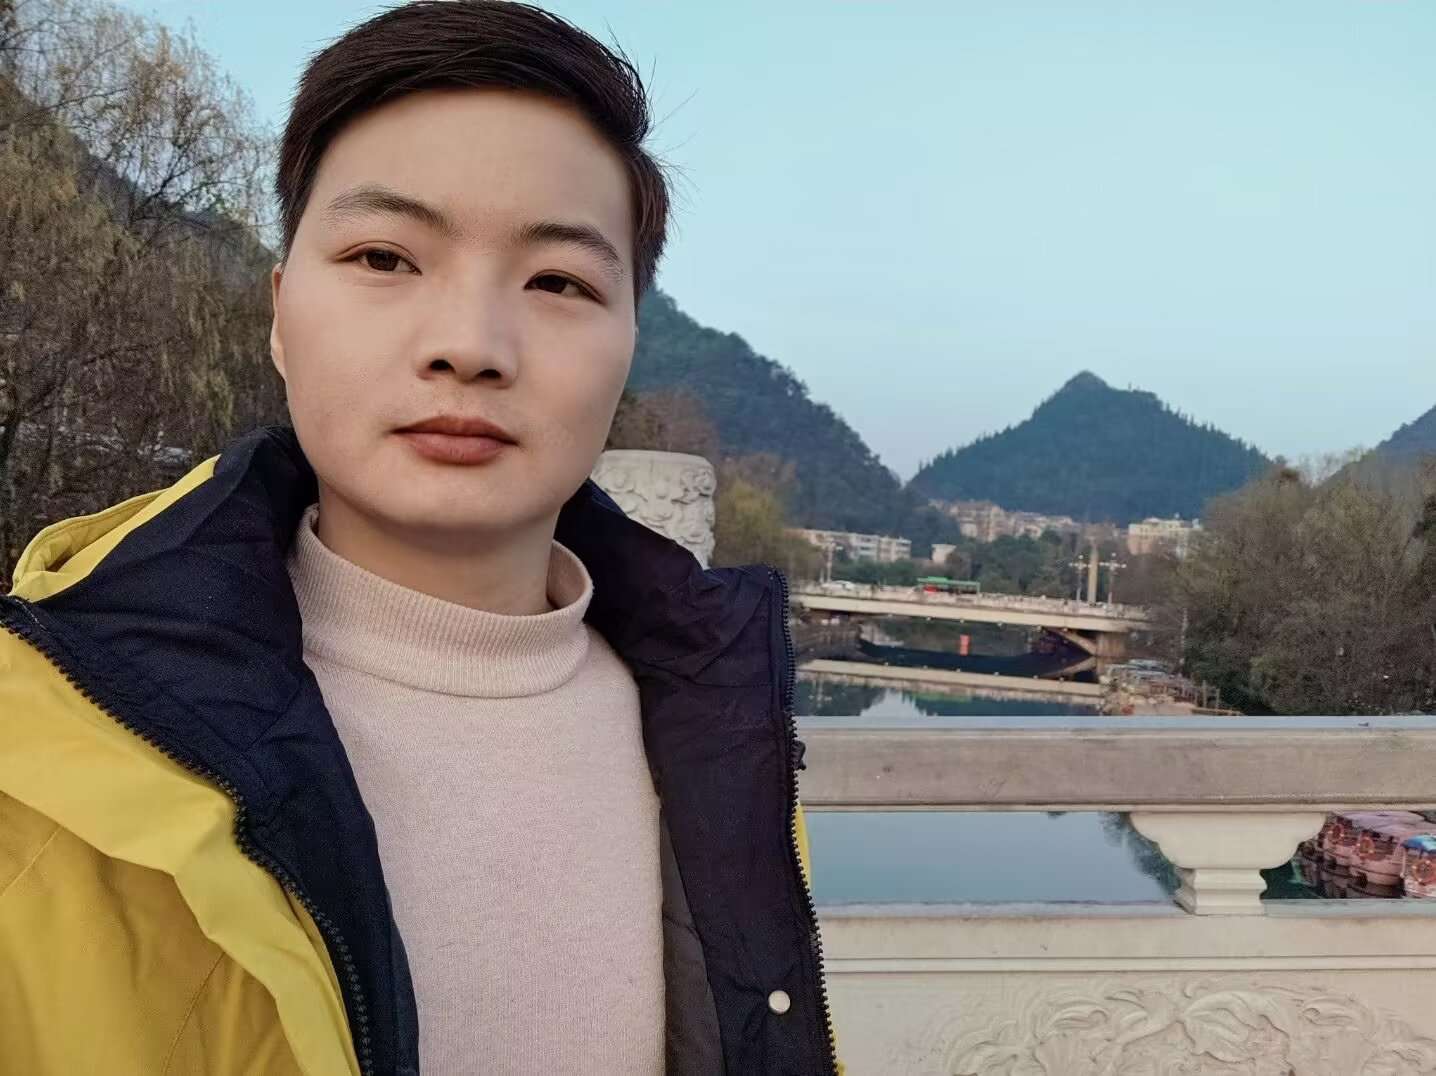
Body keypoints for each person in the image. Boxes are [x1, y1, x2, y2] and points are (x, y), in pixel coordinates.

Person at [0, 2, 839, 1072]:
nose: (468, 344)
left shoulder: (716, 725)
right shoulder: (42, 749)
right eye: (386, 257)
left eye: (558, 281)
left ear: (629, 342)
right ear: (279, 313)